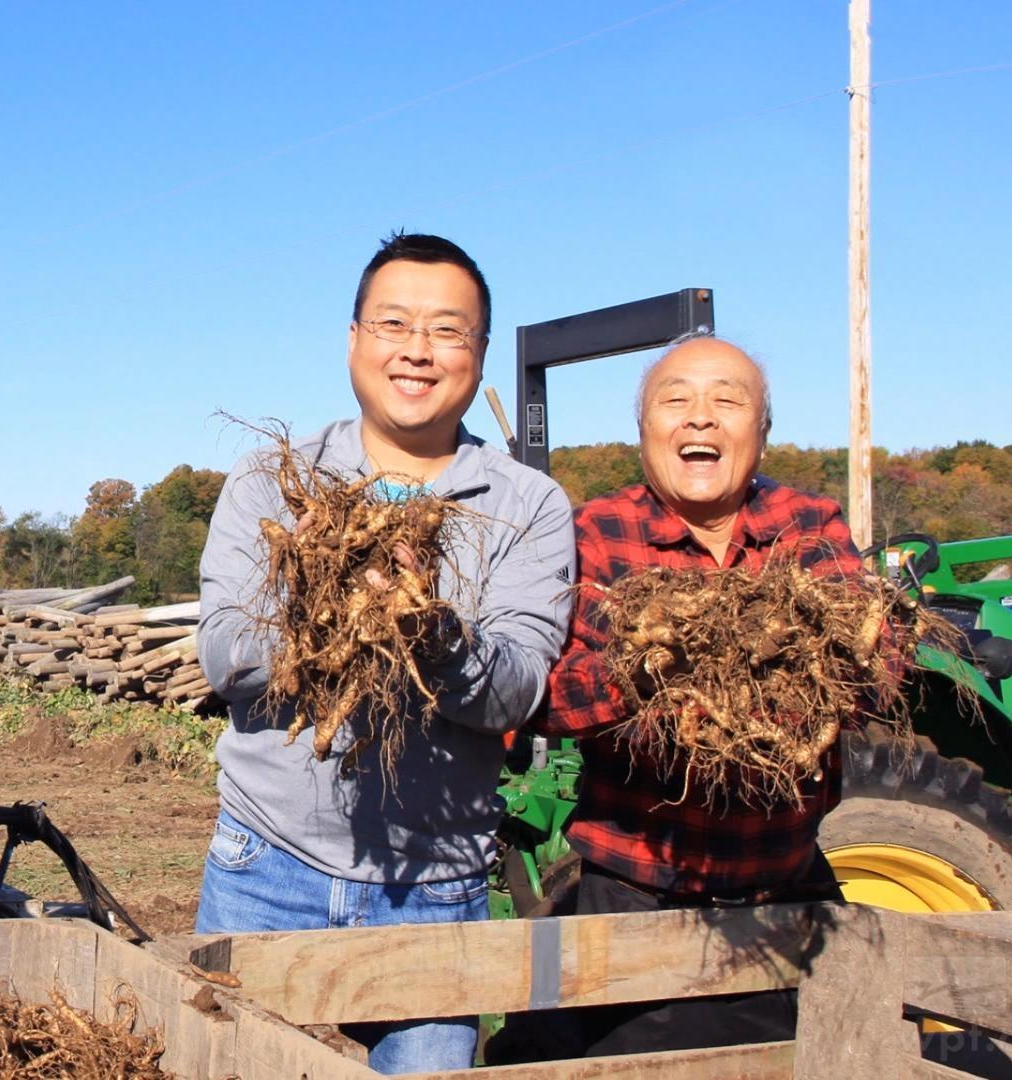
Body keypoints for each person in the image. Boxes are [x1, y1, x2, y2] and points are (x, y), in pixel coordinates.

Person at [194, 232, 576, 1073]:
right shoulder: (273, 478)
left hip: (433, 886)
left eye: (447, 330)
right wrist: (320, 611)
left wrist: (433, 632)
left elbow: (515, 689)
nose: (417, 350)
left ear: (477, 354)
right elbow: (222, 654)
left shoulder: (529, 506)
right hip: (265, 864)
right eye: (393, 323)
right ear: (354, 340)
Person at [540, 333, 862, 1055]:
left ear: (763, 432)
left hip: (785, 889)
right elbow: (553, 697)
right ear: (644, 430)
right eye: (676, 400)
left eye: (727, 400)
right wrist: (653, 666)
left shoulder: (809, 525)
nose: (700, 418)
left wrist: (768, 672)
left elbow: (876, 666)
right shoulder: (596, 533)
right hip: (635, 895)